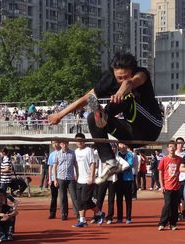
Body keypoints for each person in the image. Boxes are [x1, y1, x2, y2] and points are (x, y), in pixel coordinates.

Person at [48, 52, 163, 184]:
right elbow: (86, 98)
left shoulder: (142, 74)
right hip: (132, 135)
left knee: (126, 98)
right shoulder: (109, 80)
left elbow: (130, 83)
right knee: (92, 118)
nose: (122, 80)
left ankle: (104, 115)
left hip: (151, 126)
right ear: (113, 73)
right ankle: (110, 162)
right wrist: (60, 115)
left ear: (133, 71)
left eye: (126, 76)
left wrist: (120, 92)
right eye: (119, 77)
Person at [72, 133, 106, 227]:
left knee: (86, 200)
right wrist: (76, 175)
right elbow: (76, 165)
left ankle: (99, 213)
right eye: (77, 140)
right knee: (79, 201)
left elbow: (93, 163)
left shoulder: (89, 150)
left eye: (81, 140)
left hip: (88, 179)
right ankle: (82, 221)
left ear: (84, 140)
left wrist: (91, 176)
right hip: (79, 179)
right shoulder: (76, 151)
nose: (79, 142)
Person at [158, 140, 182, 231]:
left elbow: (182, 169)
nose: (172, 148)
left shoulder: (179, 159)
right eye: (170, 147)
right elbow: (160, 173)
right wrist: (162, 185)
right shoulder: (164, 159)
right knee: (167, 204)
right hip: (167, 186)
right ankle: (162, 223)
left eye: (173, 146)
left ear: (176, 148)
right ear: (167, 148)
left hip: (176, 186)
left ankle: (173, 223)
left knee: (174, 205)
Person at [53, 140, 79, 221]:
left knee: (74, 196)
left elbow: (76, 165)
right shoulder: (57, 154)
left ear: (68, 144)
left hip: (71, 178)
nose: (64, 145)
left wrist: (77, 175)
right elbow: (55, 166)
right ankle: (64, 213)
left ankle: (78, 214)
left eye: (66, 143)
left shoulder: (72, 153)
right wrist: (55, 179)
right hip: (61, 178)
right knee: (62, 197)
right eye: (63, 143)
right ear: (60, 144)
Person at [116, 143, 135, 224]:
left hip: (127, 179)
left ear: (126, 146)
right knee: (119, 200)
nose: (122, 146)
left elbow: (130, 164)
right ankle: (119, 218)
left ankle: (128, 217)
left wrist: (119, 169)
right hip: (118, 180)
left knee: (128, 200)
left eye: (124, 145)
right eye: (121, 144)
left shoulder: (130, 154)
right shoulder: (116, 154)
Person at [47, 141, 61, 219]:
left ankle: (64, 213)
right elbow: (50, 167)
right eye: (53, 143)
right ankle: (52, 213)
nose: (55, 144)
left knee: (63, 197)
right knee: (53, 197)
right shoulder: (51, 154)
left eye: (56, 142)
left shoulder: (62, 152)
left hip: (62, 177)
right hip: (53, 178)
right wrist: (49, 178)